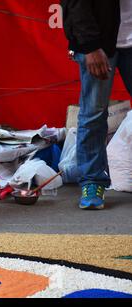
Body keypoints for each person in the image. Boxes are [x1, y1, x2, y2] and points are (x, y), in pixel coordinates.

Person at [61, 0, 131, 210]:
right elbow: (76, 3)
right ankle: (92, 182)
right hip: (99, 43)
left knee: (93, 112)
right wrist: (90, 46)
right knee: (93, 113)